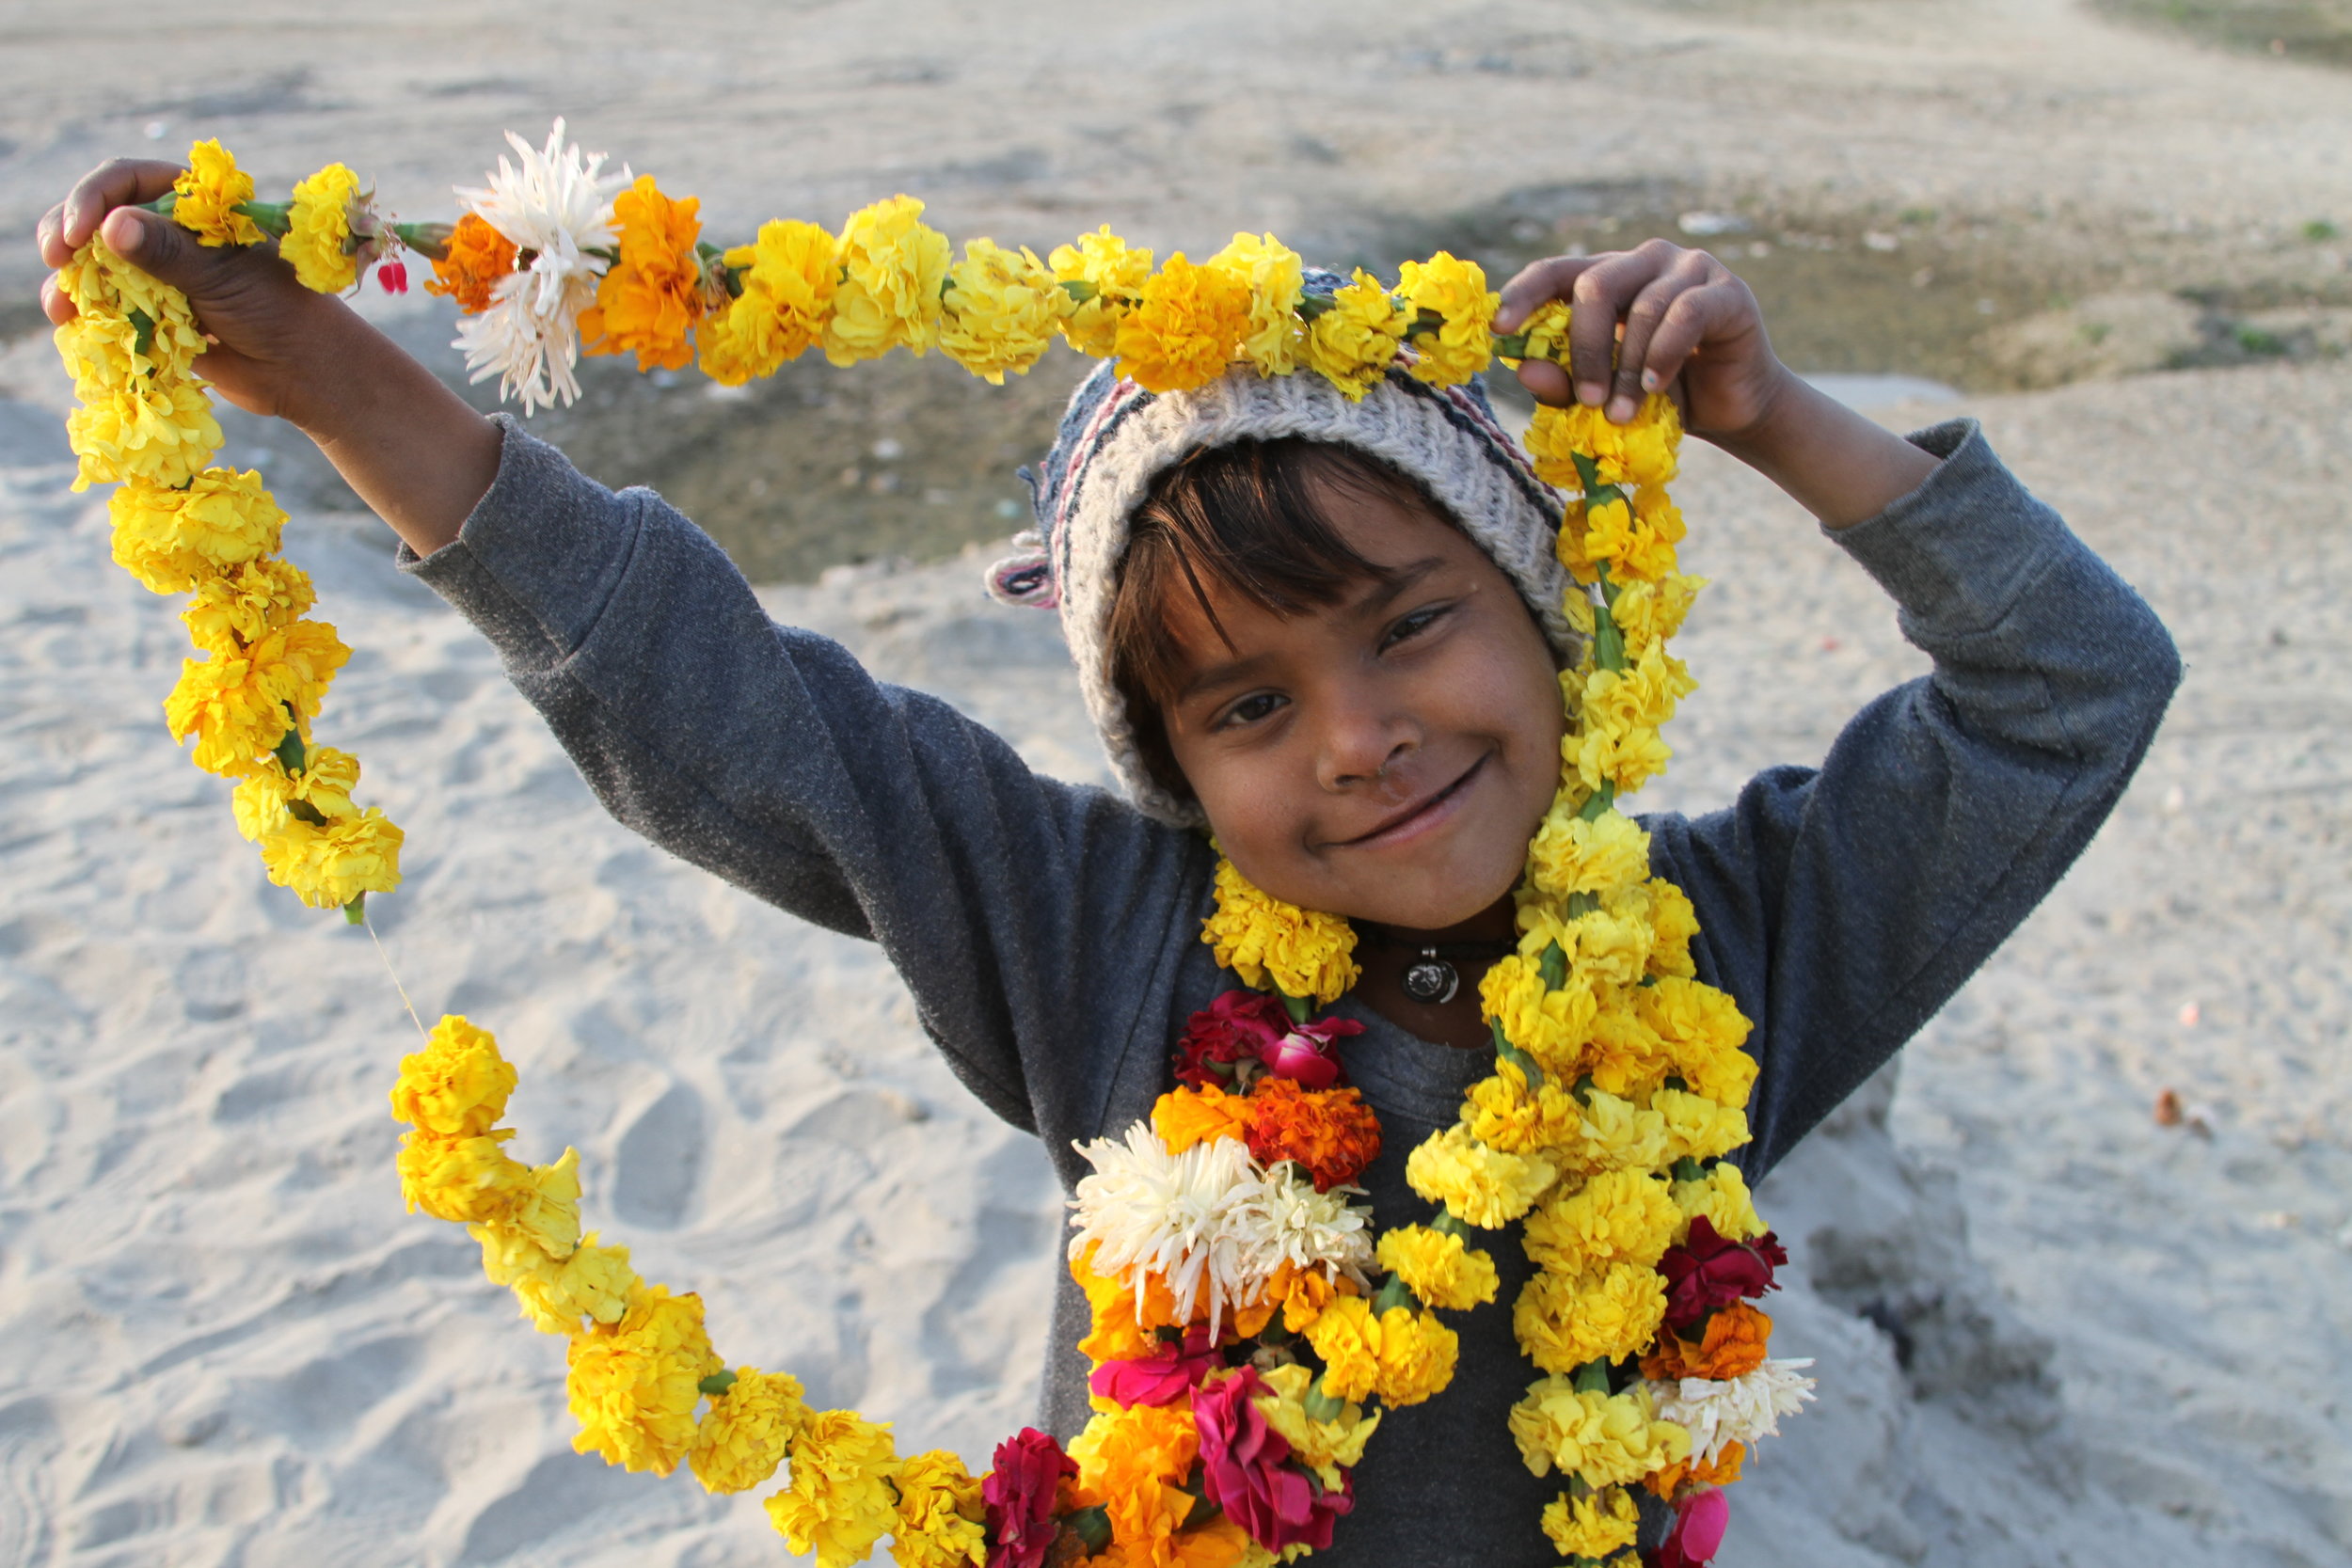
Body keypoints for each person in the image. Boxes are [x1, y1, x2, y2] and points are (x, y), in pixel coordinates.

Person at [36, 160, 2180, 1565]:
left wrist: (1772, 416)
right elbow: (728, 710)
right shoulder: (1101, 941)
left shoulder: (1727, 952)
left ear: (1551, 618)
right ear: (1167, 768)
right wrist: (333, 376)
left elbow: (2068, 688)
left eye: (1411, 624)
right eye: (1243, 708)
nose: (1356, 739)